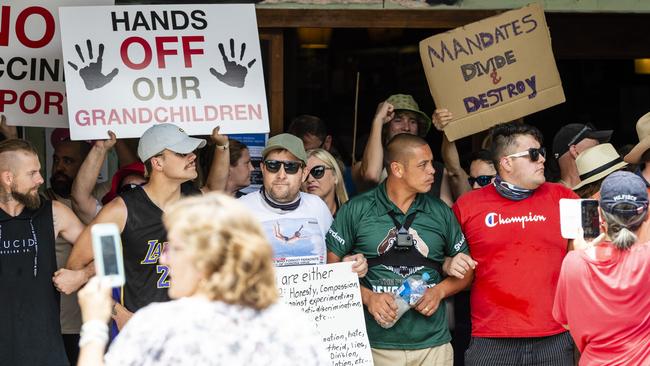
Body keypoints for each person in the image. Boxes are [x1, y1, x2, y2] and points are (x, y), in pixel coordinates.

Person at [75, 192, 329, 366]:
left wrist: (94, 325)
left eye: (173, 248)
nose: (163, 259)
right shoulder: (292, 326)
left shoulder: (159, 327)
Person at [327, 133, 473, 366]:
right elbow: (330, 269)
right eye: (423, 165)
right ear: (397, 169)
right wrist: (368, 297)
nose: (433, 171)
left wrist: (439, 292)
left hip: (432, 344)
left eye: (431, 163)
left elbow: (467, 272)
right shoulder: (357, 209)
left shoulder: (441, 212)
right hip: (375, 344)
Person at [66, 124, 228, 330]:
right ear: (157, 162)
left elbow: (216, 191)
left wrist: (223, 147)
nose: (192, 156)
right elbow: (75, 266)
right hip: (141, 332)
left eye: (192, 151)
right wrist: (119, 314)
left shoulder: (192, 200)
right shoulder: (121, 210)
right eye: (182, 153)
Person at [452, 122, 578, 365]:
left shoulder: (565, 197)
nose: (542, 159)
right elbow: (441, 256)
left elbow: (592, 252)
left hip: (555, 336)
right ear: (506, 163)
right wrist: (449, 262)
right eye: (533, 154)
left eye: (541, 152)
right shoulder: (467, 206)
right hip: (491, 339)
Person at [0, 139, 85, 366]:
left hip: (46, 354)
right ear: (8, 178)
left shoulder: (54, 212)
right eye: (32, 173)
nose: (40, 179)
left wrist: (81, 275)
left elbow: (108, 248)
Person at [553, 171, 650, 365]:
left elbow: (565, 322)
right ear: (646, 215)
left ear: (600, 216)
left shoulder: (574, 262)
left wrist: (581, 253)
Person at [239, 133, 366, 272]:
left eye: (291, 167)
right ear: (263, 169)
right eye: (273, 165)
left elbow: (334, 256)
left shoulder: (317, 206)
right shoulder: (239, 210)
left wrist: (351, 264)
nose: (281, 175)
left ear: (304, 173)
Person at [352, 94, 453, 205]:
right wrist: (378, 120)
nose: (406, 127)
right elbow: (371, 175)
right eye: (398, 120)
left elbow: (446, 210)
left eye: (412, 121)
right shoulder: (363, 167)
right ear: (386, 128)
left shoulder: (436, 170)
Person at [288, 114, 357, 197]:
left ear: (327, 143)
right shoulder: (286, 179)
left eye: (311, 151)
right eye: (298, 153)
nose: (305, 159)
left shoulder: (349, 178)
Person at [552, 123, 612, 188]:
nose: (600, 150)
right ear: (574, 151)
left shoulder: (604, 185)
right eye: (596, 147)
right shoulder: (554, 196)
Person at [302, 148, 349, 216]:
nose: (310, 179)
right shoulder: (293, 217)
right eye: (304, 174)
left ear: (335, 176)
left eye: (318, 171)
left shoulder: (351, 217)